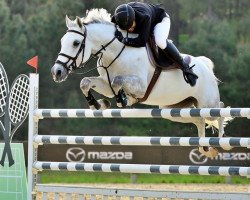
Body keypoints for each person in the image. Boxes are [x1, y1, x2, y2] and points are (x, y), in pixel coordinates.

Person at [111, 2, 198, 87]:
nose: (130, 29)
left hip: (159, 20)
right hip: (146, 19)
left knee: (160, 41)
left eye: (131, 25)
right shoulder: (117, 18)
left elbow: (142, 42)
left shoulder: (144, 17)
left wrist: (124, 40)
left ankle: (185, 67)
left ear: (134, 18)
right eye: (127, 27)